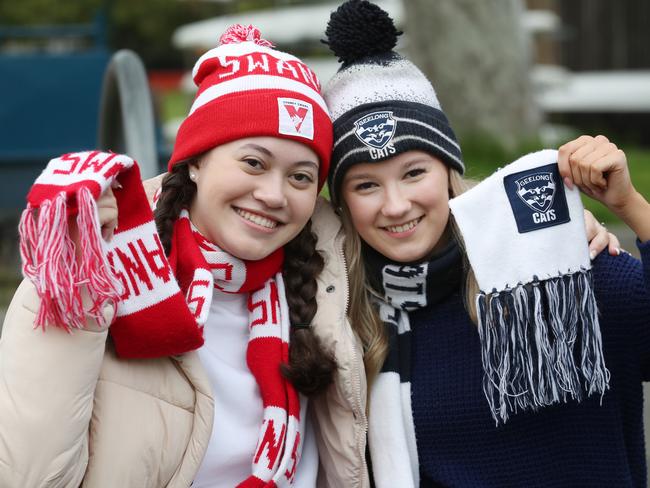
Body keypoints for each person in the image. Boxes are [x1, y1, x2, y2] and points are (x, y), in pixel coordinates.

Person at [310, 1, 650, 487]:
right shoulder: (339, 319)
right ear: (340, 203)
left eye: (413, 173)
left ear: (448, 172)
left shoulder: (557, 274)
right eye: (365, 185)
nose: (396, 204)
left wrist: (632, 208)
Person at [0, 25, 337, 487]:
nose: (274, 195)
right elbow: (29, 476)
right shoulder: (97, 266)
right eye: (253, 163)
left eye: (301, 177)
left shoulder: (330, 283)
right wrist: (80, 291)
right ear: (195, 161)